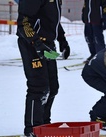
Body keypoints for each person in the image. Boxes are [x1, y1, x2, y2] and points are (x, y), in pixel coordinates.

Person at [16, 0, 70, 136]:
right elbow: (24, 22)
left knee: (52, 87)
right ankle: (33, 129)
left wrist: (62, 39)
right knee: (39, 87)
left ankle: (44, 124)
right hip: (31, 43)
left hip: (48, 44)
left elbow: (51, 19)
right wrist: (37, 43)